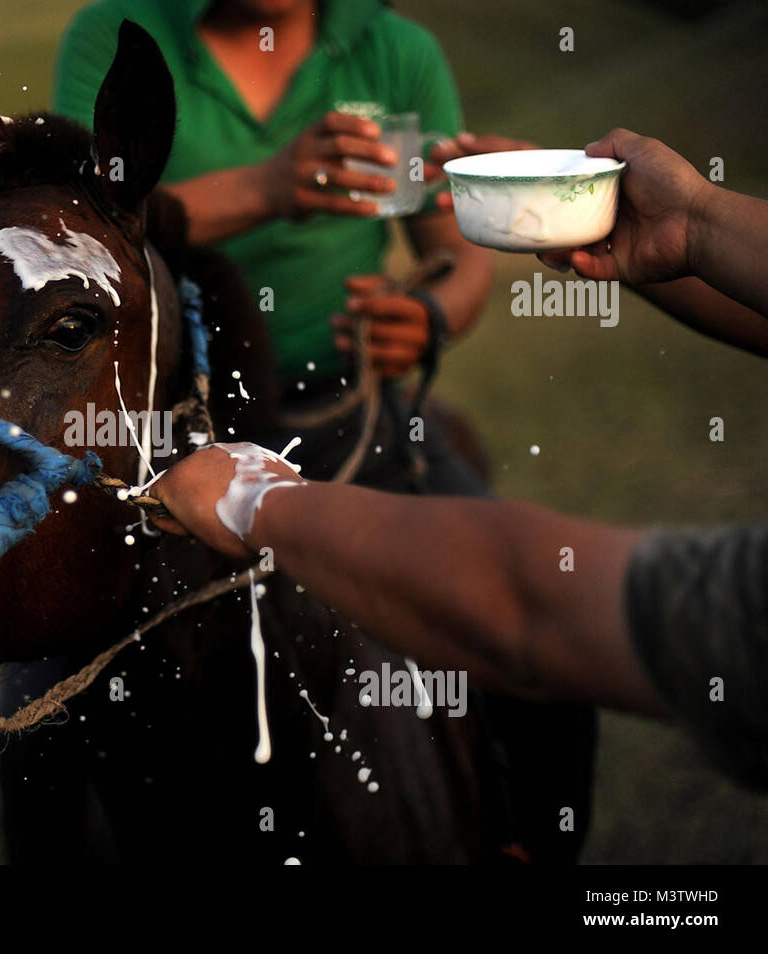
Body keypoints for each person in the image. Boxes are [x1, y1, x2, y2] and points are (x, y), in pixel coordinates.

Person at [150, 128, 768, 789]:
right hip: (179, 414)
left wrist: (254, 501)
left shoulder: (397, 55)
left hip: (356, 414)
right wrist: (690, 218)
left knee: (546, 712)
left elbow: (527, 613)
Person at [53, 0, 494, 432]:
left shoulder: (398, 50)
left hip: (345, 399)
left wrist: (427, 319)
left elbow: (460, 248)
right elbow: (79, 229)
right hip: (159, 404)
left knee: (467, 506)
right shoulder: (117, 33)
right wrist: (265, 188)